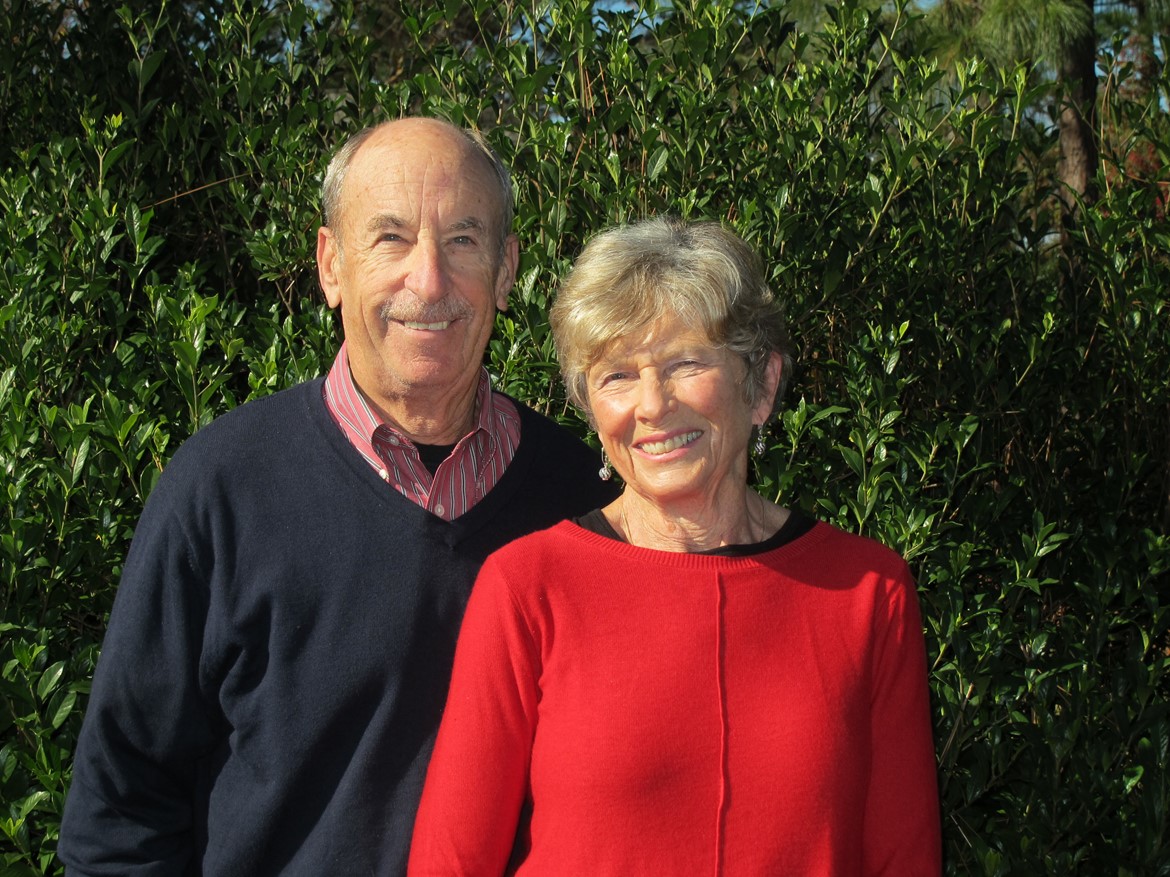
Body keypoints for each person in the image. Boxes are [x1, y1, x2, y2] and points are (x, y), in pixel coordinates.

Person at [57, 117, 617, 876]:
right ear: (330, 266)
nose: (428, 280)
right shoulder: (219, 491)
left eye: (462, 240)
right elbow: (118, 815)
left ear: (507, 268)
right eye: (390, 237)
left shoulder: (586, 500)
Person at [407, 216, 942, 875]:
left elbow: (904, 856)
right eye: (617, 376)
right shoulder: (529, 586)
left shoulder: (866, 591)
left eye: (686, 364)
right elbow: (451, 861)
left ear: (763, 384)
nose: (652, 405)